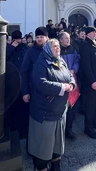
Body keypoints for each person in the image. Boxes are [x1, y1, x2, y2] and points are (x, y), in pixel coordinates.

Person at [28, 40, 75, 171]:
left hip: (60, 110)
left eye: (59, 46)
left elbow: (70, 75)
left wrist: (72, 84)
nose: (58, 49)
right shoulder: (41, 63)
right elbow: (40, 83)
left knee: (58, 140)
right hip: (45, 110)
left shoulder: (61, 61)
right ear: (48, 49)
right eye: (54, 46)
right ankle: (41, 166)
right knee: (44, 141)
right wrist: (62, 87)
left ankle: (56, 163)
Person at [58, 32, 80, 141]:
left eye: (69, 38)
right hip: (62, 82)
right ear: (60, 40)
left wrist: (74, 69)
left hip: (72, 80)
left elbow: (77, 60)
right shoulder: (57, 50)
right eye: (66, 38)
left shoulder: (72, 49)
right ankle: (61, 129)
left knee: (72, 106)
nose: (68, 40)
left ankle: (69, 129)